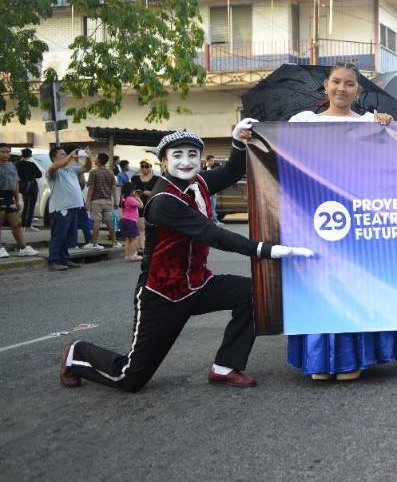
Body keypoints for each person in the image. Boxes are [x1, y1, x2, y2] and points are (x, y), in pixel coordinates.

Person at [58, 121, 315, 392]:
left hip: (199, 284)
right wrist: (267, 250)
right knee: (131, 378)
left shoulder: (198, 182)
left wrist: (238, 142)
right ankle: (77, 353)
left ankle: (225, 366)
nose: (185, 161)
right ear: (163, 161)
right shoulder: (163, 201)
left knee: (254, 294)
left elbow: (231, 171)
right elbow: (210, 233)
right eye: (177, 155)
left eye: (192, 154)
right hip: (163, 295)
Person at [286, 61, 397, 381]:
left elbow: (391, 164)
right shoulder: (302, 123)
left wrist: (387, 128)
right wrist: (245, 137)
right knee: (320, 283)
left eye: (350, 83)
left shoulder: (370, 122)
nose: (342, 88)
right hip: (312, 216)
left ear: (359, 90)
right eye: (336, 82)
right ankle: (320, 359)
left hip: (358, 218)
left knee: (353, 282)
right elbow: (275, 154)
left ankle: (352, 357)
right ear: (325, 85)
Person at [46, 147, 91, 271]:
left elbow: (87, 168)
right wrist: (71, 155)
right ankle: (54, 261)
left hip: (74, 207)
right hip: (61, 209)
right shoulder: (52, 170)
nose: (66, 156)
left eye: (66, 154)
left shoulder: (71, 170)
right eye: (62, 154)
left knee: (68, 236)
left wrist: (88, 157)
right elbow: (56, 166)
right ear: (54, 158)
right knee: (58, 235)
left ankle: (64, 259)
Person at [0, 143, 39, 258]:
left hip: (9, 197)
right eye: (3, 151)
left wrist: (17, 200)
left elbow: (16, 183)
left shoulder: (12, 165)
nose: (6, 154)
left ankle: (23, 248)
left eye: (8, 152)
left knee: (16, 224)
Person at [85, 152, 119, 249]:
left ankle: (94, 244)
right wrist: (116, 201)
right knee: (110, 222)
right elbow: (114, 188)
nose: (95, 160)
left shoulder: (93, 172)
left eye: (96, 158)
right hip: (108, 201)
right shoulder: (110, 172)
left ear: (99, 161)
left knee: (96, 221)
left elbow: (91, 188)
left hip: (96, 201)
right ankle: (115, 242)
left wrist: (87, 202)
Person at [131, 159, 158, 250]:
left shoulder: (156, 179)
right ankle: (141, 246)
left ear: (151, 167)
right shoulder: (135, 178)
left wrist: (148, 193)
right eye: (142, 166)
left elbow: (159, 192)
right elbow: (131, 190)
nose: (144, 168)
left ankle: (146, 245)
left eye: (147, 166)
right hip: (138, 203)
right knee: (140, 226)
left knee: (149, 226)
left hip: (150, 204)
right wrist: (136, 193)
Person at [16, 148, 42, 230]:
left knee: (26, 205)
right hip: (32, 186)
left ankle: (23, 225)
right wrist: (32, 176)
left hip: (22, 187)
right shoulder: (31, 164)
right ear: (30, 155)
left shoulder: (17, 164)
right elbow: (39, 174)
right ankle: (28, 225)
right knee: (31, 206)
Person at [119, 182, 143, 262]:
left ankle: (127, 256)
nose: (135, 191)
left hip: (124, 220)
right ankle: (133, 255)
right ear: (130, 190)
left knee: (128, 239)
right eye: (134, 190)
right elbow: (141, 205)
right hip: (130, 221)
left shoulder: (124, 198)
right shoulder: (130, 199)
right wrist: (138, 197)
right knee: (136, 237)